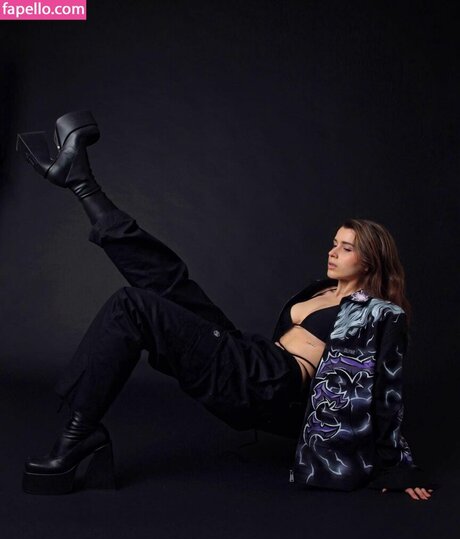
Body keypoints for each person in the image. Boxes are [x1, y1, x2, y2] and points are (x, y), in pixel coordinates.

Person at [16, 111, 435, 500]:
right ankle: (81, 182)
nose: (333, 252)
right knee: (167, 281)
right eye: (334, 243)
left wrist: (397, 467)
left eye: (346, 248)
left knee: (133, 306)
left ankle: (78, 435)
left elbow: (386, 391)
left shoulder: (379, 313)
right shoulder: (318, 291)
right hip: (253, 358)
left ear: (370, 261)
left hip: (271, 387)